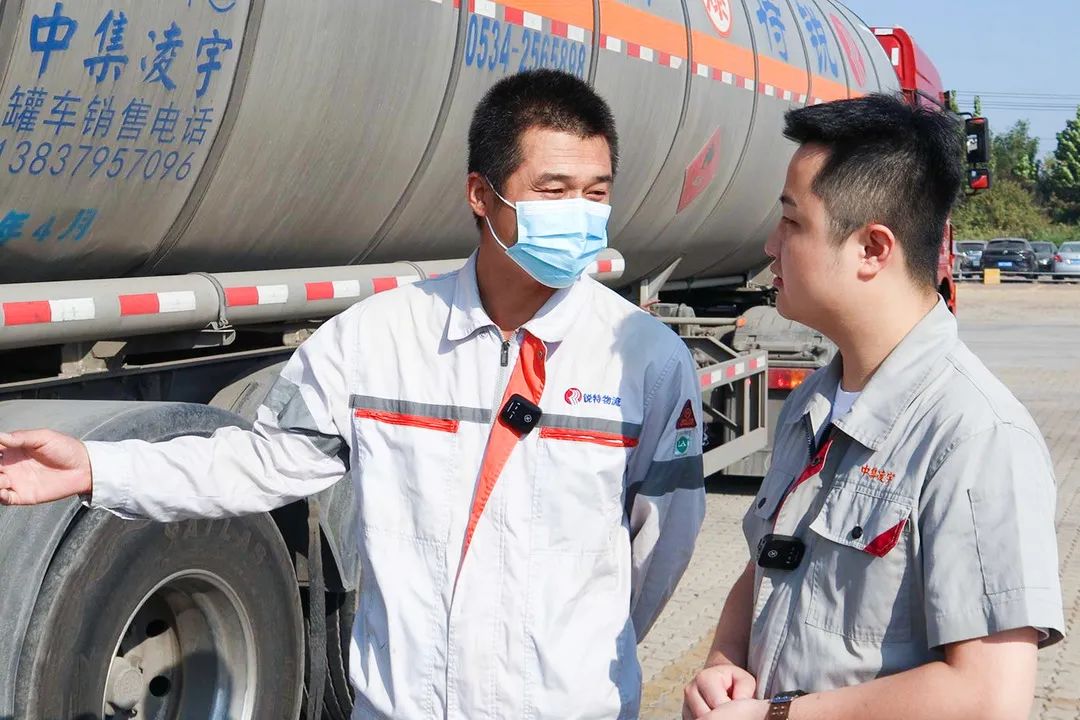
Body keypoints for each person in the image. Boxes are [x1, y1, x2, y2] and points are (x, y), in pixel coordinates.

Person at [0, 69, 706, 719]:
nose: (580, 214)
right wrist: (98, 466)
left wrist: (577, 664)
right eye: (553, 191)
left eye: (596, 192)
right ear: (480, 194)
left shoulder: (644, 360)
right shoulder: (376, 340)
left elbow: (660, 546)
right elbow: (255, 463)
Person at [682, 94, 1064, 720]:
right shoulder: (813, 402)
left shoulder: (975, 436)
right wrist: (726, 662)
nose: (771, 245)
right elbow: (770, 567)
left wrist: (778, 715)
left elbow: (989, 697)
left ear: (872, 249)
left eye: (792, 222)